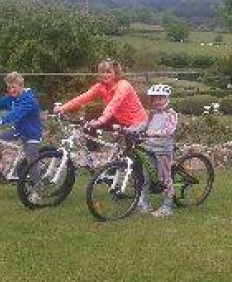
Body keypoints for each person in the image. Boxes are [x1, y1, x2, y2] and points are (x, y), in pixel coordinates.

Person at [52, 59, 148, 130]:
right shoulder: (100, 86)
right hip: (119, 118)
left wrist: (101, 120)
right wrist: (62, 108)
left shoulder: (123, 85)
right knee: (89, 121)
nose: (105, 75)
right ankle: (93, 150)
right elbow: (82, 98)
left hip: (136, 122)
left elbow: (114, 103)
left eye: (108, 72)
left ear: (115, 73)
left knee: (129, 148)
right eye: (102, 72)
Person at [135, 84, 179, 218]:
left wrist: (155, 133)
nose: (157, 101)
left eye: (161, 98)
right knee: (146, 178)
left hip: (163, 151)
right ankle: (145, 203)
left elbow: (169, 130)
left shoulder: (171, 114)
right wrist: (128, 129)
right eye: (154, 99)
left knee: (165, 179)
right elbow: (143, 126)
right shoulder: (152, 114)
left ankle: (167, 206)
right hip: (150, 149)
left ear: (167, 99)